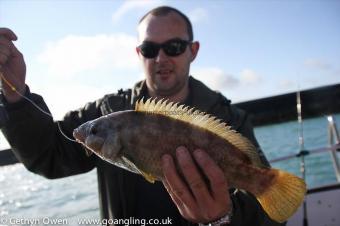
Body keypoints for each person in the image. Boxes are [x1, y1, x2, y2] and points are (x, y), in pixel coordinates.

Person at [0, 6, 284, 226]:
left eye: (173, 47)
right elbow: (48, 156)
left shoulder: (230, 119)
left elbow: (271, 216)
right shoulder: (107, 114)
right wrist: (15, 94)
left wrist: (224, 217)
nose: (161, 58)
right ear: (139, 53)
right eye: (150, 49)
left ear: (193, 51)